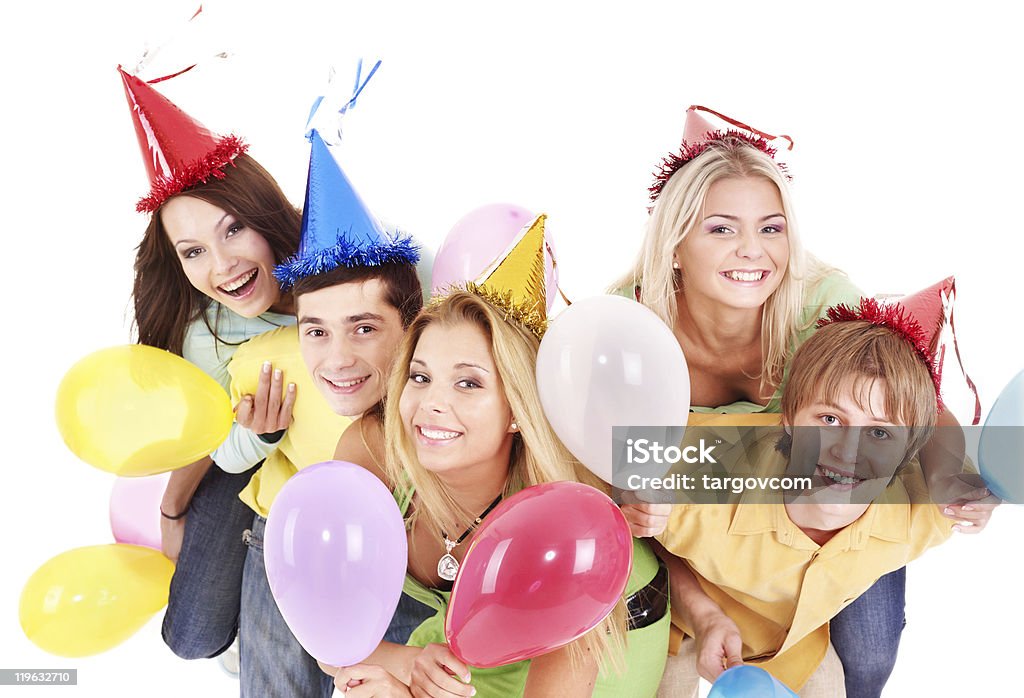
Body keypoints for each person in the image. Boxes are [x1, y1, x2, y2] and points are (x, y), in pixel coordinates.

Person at [612, 105, 997, 697]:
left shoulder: (822, 304)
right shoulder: (629, 330)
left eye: (771, 228)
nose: (753, 252)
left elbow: (913, 403)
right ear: (675, 244)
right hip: (714, 504)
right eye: (721, 228)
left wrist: (947, 480)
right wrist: (696, 598)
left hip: (832, 497)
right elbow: (635, 488)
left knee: (867, 652)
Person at [324, 218, 671, 697]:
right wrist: (408, 664)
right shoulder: (371, 451)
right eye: (421, 377)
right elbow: (329, 635)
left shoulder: (563, 536)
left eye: (468, 383)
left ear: (516, 412)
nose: (431, 405)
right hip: (468, 637)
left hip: (608, 632)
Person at [655, 298, 959, 696]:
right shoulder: (701, 472)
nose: (848, 452)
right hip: (682, 623)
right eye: (830, 420)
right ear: (788, 418)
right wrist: (701, 613)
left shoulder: (927, 512)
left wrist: (969, 490)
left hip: (791, 647)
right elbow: (616, 491)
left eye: (879, 433)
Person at [227, 127, 431, 697]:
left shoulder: (446, 410)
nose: (337, 359)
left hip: (411, 561)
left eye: (364, 328)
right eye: (316, 332)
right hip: (288, 531)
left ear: (412, 328)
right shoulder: (265, 366)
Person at [121, 66, 299, 664]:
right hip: (249, 453)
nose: (222, 266)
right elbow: (218, 449)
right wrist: (257, 436)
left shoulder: (339, 277)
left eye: (234, 230)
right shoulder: (209, 332)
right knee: (190, 634)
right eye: (194, 251)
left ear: (265, 213)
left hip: (350, 454)